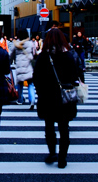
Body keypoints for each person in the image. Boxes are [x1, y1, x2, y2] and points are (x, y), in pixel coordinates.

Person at [33, 29, 84, 168]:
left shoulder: (43, 56)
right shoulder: (68, 56)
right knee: (64, 127)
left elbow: (36, 77)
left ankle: (52, 153)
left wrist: (40, 92)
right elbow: (76, 76)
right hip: (65, 97)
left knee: (49, 126)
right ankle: (62, 158)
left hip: (47, 97)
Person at [9, 28, 37, 110]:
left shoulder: (16, 44)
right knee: (30, 84)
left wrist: (10, 63)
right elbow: (34, 53)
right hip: (28, 66)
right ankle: (32, 100)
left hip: (20, 66)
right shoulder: (30, 43)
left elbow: (11, 55)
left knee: (20, 84)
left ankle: (20, 99)